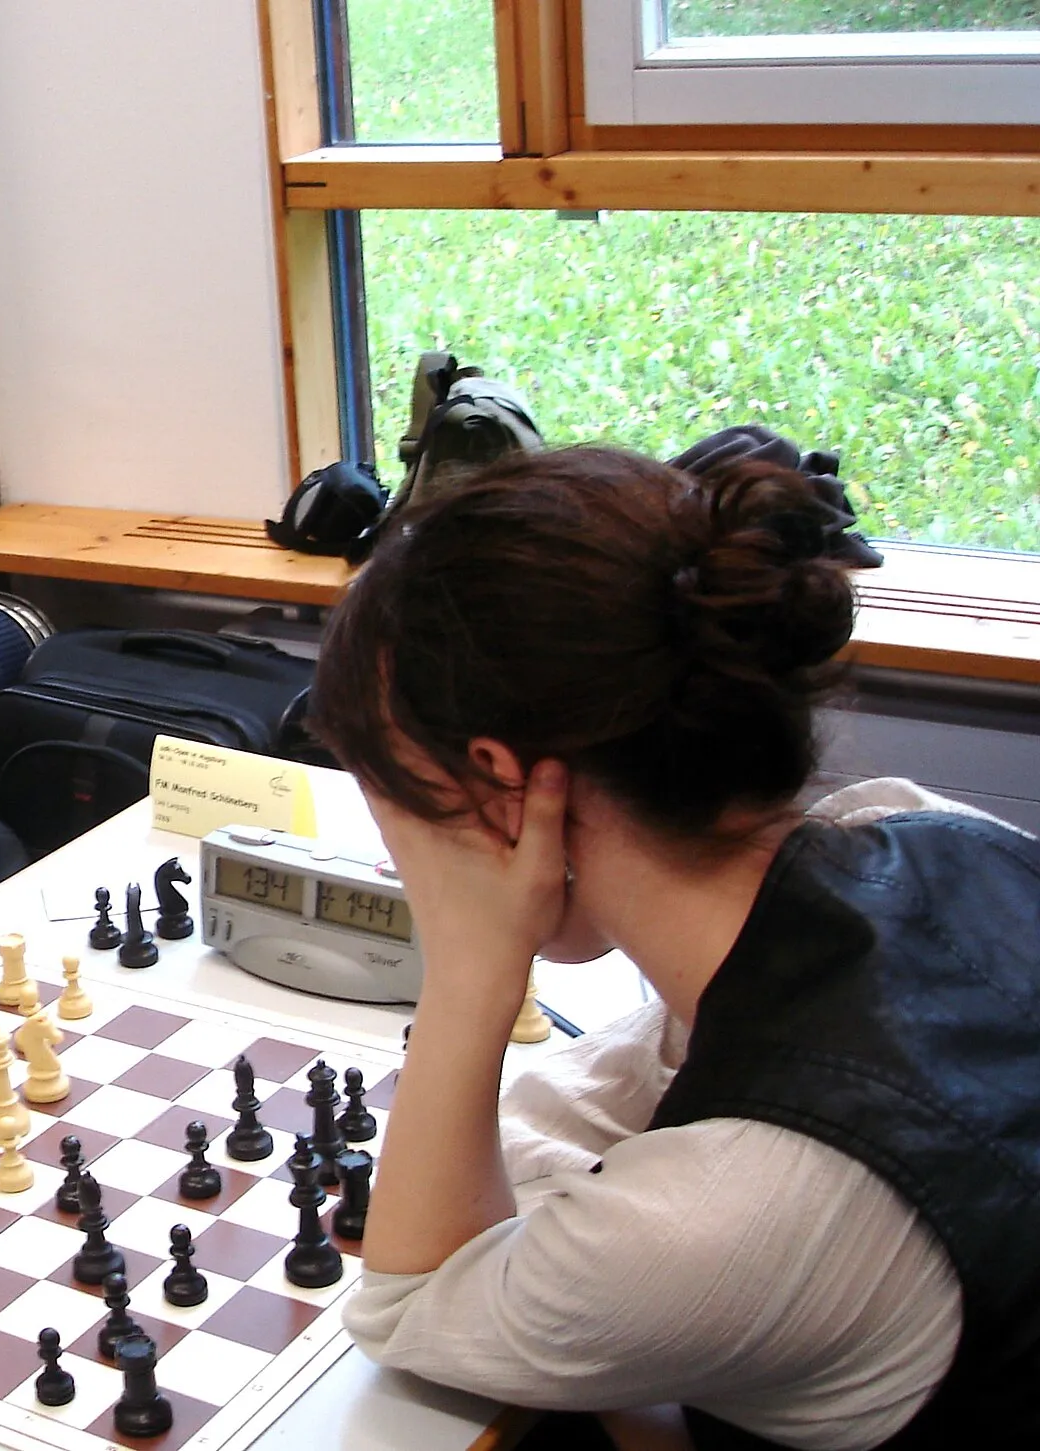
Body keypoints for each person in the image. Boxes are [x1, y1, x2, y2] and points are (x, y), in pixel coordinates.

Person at [309, 445, 1040, 1449]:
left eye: (388, 792)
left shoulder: (717, 1214)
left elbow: (410, 1302)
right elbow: (629, 1087)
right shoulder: (923, 830)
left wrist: (470, 968)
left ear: (496, 781)